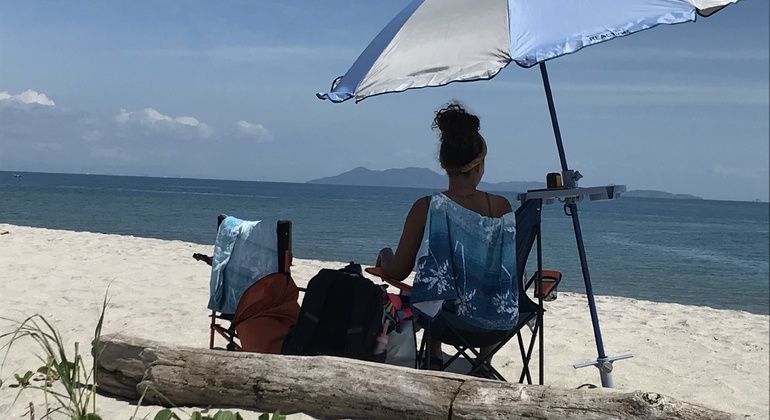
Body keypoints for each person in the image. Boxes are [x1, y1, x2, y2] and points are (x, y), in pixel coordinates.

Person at [375, 102, 517, 371]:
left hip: (442, 324)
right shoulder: (501, 207)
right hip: (498, 324)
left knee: (434, 285)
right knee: (482, 276)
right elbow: (505, 269)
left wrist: (384, 254)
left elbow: (399, 270)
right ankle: (483, 362)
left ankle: (435, 356)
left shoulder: (427, 206)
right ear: (480, 166)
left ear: (444, 165)